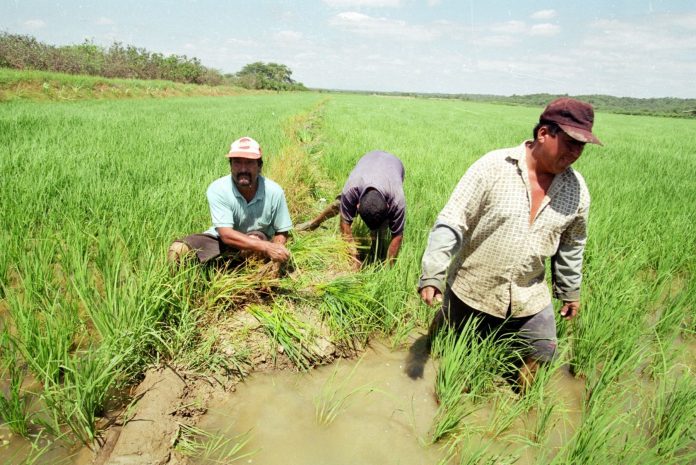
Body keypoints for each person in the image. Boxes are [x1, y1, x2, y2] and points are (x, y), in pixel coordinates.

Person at [418, 97, 602, 390]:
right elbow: (452, 220)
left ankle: (522, 404)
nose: (575, 153)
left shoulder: (577, 190)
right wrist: (433, 274)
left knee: (544, 350)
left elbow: (572, 243)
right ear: (544, 133)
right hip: (472, 287)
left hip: (529, 294)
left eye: (581, 146)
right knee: (444, 344)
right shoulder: (493, 167)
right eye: (570, 142)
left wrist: (569, 290)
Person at [168, 136, 293, 266]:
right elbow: (226, 234)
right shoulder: (219, 189)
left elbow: (282, 231)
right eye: (237, 162)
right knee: (177, 251)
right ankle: (186, 284)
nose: (243, 169)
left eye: (249, 162)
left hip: (261, 242)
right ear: (231, 165)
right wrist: (266, 247)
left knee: (256, 245)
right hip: (226, 242)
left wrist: (276, 251)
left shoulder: (274, 191)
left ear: (259, 166)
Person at [297, 150, 406, 266]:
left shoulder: (397, 201)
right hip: (369, 160)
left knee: (380, 230)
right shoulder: (352, 189)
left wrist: (389, 267)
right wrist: (354, 256)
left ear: (388, 206)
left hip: (394, 165)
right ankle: (313, 224)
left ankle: (375, 251)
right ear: (357, 206)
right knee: (339, 204)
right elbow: (345, 223)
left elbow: (397, 236)